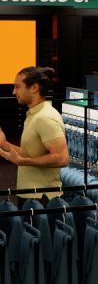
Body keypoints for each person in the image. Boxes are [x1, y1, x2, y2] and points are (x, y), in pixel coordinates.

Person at [0, 66, 68, 199]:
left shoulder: (45, 117)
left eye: (17, 87)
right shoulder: (34, 115)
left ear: (34, 88)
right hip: (30, 196)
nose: (14, 92)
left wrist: (23, 161)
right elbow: (30, 153)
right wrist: (4, 144)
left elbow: (62, 158)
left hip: (43, 199)